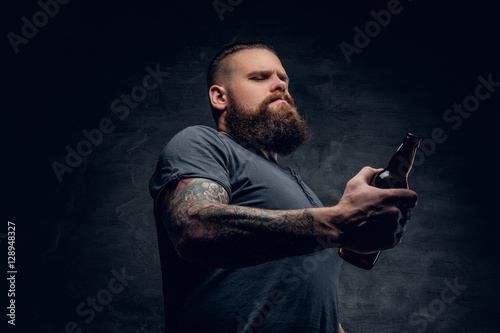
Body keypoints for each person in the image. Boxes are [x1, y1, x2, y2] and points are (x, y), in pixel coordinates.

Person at [149, 42, 418, 333]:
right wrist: (339, 222)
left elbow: (313, 310)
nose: (280, 85)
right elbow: (194, 228)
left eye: (284, 79)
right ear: (219, 96)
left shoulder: (304, 196)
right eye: (260, 77)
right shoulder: (202, 143)